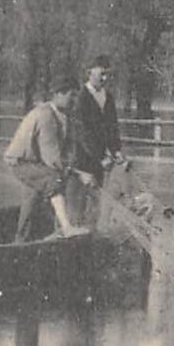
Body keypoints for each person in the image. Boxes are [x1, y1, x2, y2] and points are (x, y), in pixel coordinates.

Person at [4, 77, 91, 242]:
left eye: (76, 97)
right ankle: (66, 228)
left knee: (32, 197)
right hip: (21, 162)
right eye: (71, 96)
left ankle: (20, 241)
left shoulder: (62, 116)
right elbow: (52, 160)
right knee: (54, 179)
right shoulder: (46, 116)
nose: (74, 101)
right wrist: (78, 174)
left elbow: (70, 149)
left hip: (35, 163)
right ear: (58, 94)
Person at [70, 54, 127, 225]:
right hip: (81, 160)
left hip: (100, 162)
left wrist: (116, 150)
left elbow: (112, 127)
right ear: (89, 72)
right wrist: (100, 157)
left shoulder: (108, 97)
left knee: (96, 205)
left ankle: (91, 239)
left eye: (108, 74)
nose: (105, 78)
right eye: (101, 74)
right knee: (77, 207)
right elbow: (82, 134)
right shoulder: (80, 98)